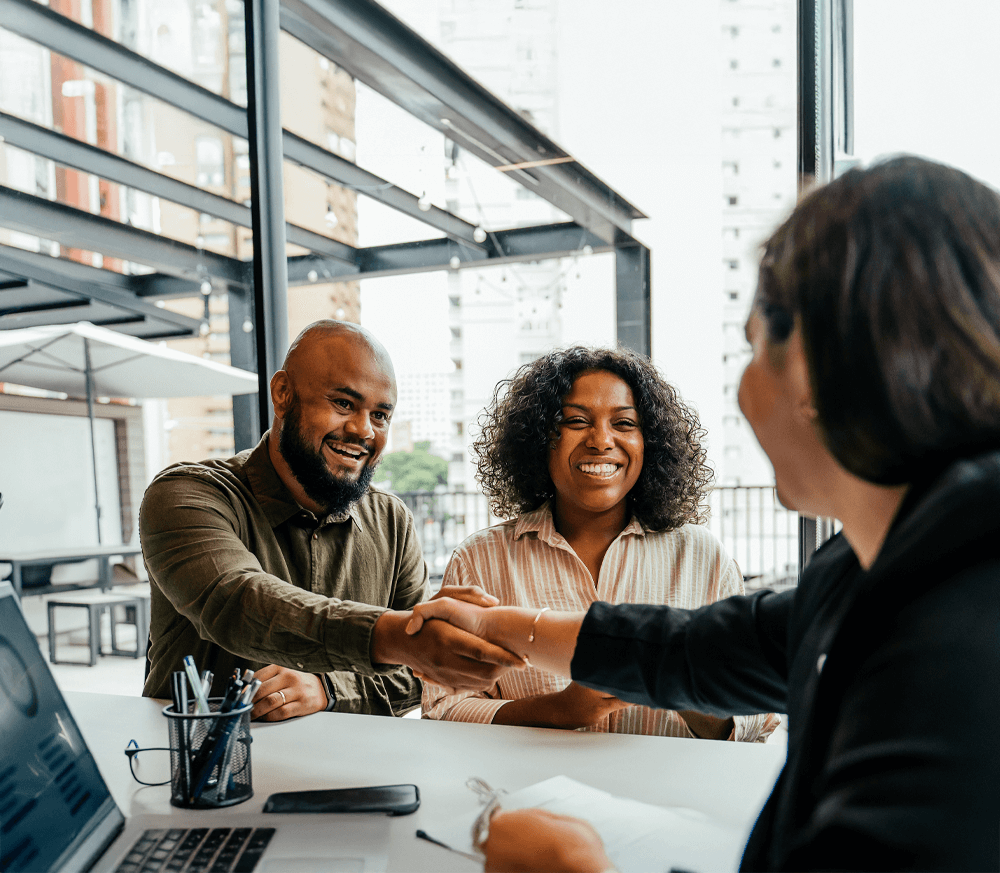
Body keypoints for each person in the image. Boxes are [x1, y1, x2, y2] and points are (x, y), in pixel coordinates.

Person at [406, 157, 1000, 871]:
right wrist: (499, 626)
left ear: (811, 367)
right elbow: (705, 648)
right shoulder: (864, 566)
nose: (744, 387)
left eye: (752, 346)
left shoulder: (960, 649)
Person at [140, 320, 522, 719]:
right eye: (343, 404)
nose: (362, 430)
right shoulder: (187, 494)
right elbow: (238, 603)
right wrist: (398, 638)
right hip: (206, 767)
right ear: (283, 393)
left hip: (352, 772)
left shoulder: (392, 520)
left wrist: (330, 688)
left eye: (380, 415)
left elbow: (422, 675)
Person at [423, 346, 777, 742]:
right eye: (576, 421)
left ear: (650, 442)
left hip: (670, 798)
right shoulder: (480, 560)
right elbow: (443, 707)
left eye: (624, 423)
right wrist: (557, 711)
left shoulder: (703, 558)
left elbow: (754, 717)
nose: (601, 440)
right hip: (524, 797)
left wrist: (671, 677)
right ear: (540, 438)